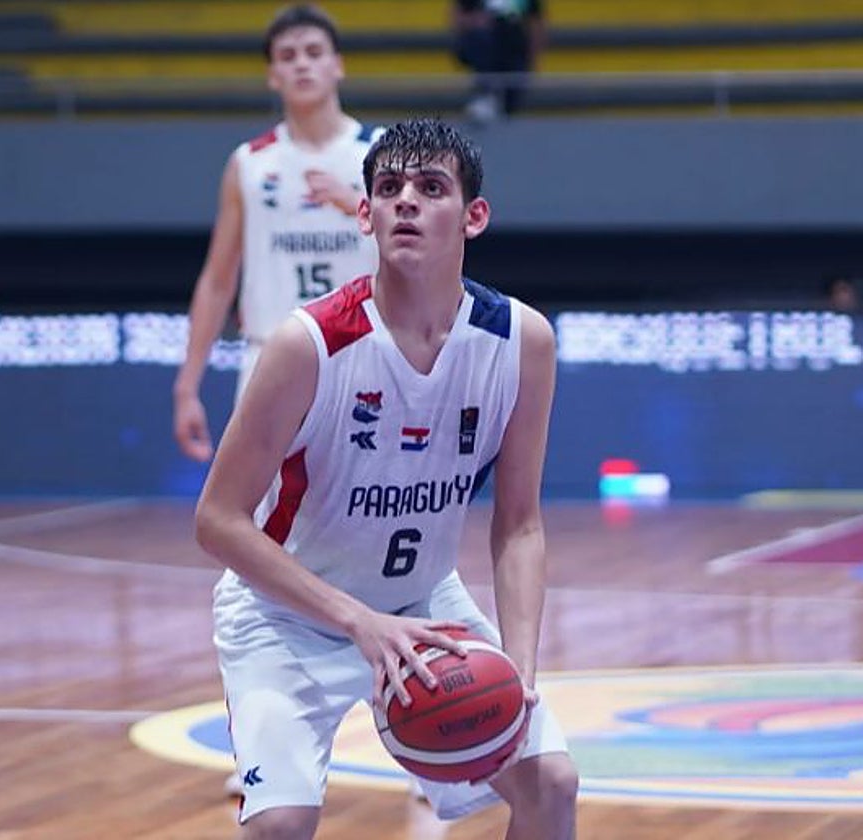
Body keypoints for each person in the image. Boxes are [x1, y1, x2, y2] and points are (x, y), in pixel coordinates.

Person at [194, 117, 578, 838]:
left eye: (431, 187)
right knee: (279, 826)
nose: (406, 201)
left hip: (424, 607)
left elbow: (519, 522)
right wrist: (357, 622)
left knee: (552, 784)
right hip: (286, 620)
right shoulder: (307, 345)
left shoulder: (519, 341)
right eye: (389, 188)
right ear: (363, 214)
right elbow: (216, 520)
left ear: (474, 216)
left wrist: (520, 669)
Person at [173, 3, 384, 463]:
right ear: (273, 75)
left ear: (338, 65)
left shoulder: (382, 152)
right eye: (288, 56)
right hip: (270, 356)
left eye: (313, 51)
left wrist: (356, 204)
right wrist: (187, 385)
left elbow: (428, 253)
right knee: (256, 522)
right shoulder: (249, 162)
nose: (302, 63)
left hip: (365, 355)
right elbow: (217, 279)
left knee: (365, 522)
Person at [451, 0, 547, 121]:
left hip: (513, 50)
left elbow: (536, 23)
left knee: (508, 108)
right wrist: (476, 20)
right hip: (484, 46)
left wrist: (533, 58)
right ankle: (488, 93)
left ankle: (498, 102)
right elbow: (458, 17)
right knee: (484, 37)